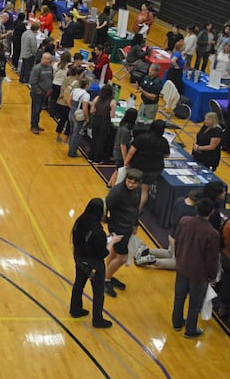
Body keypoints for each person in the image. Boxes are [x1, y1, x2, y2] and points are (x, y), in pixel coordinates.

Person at [70, 198, 121, 328]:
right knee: (98, 293)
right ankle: (98, 320)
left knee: (79, 284)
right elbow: (103, 253)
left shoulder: (79, 221)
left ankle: (75, 309)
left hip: (79, 258)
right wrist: (112, 242)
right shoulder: (99, 233)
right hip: (94, 265)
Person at [172, 198, 219, 339]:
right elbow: (212, 259)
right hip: (199, 274)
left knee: (179, 297)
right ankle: (190, 329)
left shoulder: (184, 221)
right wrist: (212, 276)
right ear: (211, 212)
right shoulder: (212, 233)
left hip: (182, 266)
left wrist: (178, 258)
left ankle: (177, 322)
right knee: (195, 302)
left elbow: (178, 241)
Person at [104, 168, 143, 298]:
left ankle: (106, 274)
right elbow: (105, 207)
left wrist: (135, 224)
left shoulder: (137, 190)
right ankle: (107, 280)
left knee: (114, 253)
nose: (131, 184)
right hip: (118, 228)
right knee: (122, 258)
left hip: (128, 227)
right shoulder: (117, 192)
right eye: (129, 181)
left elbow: (136, 208)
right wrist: (107, 221)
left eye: (134, 183)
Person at [125, 120, 170, 211]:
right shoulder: (164, 141)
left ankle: (127, 206)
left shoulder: (142, 138)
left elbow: (131, 152)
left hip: (139, 167)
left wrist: (126, 163)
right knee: (144, 190)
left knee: (132, 186)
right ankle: (138, 210)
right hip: (154, 169)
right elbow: (166, 155)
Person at [108, 108, 138, 188]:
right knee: (119, 171)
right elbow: (123, 145)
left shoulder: (123, 125)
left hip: (117, 151)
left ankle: (109, 184)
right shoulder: (126, 131)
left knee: (117, 169)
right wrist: (126, 159)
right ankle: (114, 187)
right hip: (120, 153)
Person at [89, 85, 116, 164]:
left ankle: (90, 157)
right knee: (101, 141)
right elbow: (112, 116)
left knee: (94, 138)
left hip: (96, 120)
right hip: (105, 122)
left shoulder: (97, 98)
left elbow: (92, 111)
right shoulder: (112, 102)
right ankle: (97, 159)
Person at [29, 52, 53, 134]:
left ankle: (36, 124)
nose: (46, 60)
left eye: (48, 59)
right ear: (42, 58)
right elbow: (32, 82)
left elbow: (50, 78)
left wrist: (49, 89)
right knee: (35, 110)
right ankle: (33, 126)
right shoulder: (37, 68)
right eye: (45, 58)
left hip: (45, 93)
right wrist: (39, 92)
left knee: (39, 110)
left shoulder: (50, 67)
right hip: (37, 93)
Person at [67, 78, 90, 157]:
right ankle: (72, 152)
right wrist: (87, 118)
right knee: (76, 135)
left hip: (71, 112)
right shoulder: (86, 95)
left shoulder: (74, 90)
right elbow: (85, 108)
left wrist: (73, 109)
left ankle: (70, 149)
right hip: (79, 116)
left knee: (72, 132)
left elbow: (68, 101)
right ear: (86, 85)